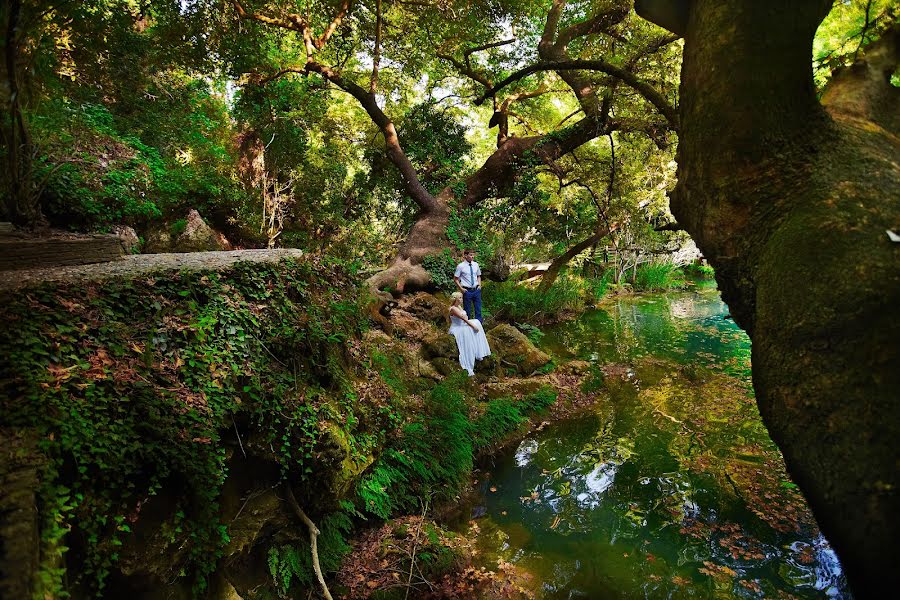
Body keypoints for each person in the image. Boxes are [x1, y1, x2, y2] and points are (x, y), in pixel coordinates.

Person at [448, 291, 491, 376]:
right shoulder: (453, 308)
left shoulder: (459, 307)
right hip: (458, 328)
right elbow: (464, 319)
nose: (461, 299)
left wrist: (472, 324)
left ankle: (479, 352)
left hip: (463, 324)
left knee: (477, 322)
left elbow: (466, 317)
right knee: (474, 326)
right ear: (455, 299)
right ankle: (469, 364)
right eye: (460, 298)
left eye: (461, 297)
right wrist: (473, 326)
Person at [454, 248, 482, 321]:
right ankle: (468, 328)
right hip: (467, 291)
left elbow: (478, 276)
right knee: (467, 311)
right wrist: (461, 289)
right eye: (471, 255)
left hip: (476, 290)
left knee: (478, 310)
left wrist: (479, 285)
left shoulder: (476, 265)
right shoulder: (460, 266)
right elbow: (456, 279)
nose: (472, 257)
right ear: (465, 255)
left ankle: (479, 328)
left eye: (473, 255)